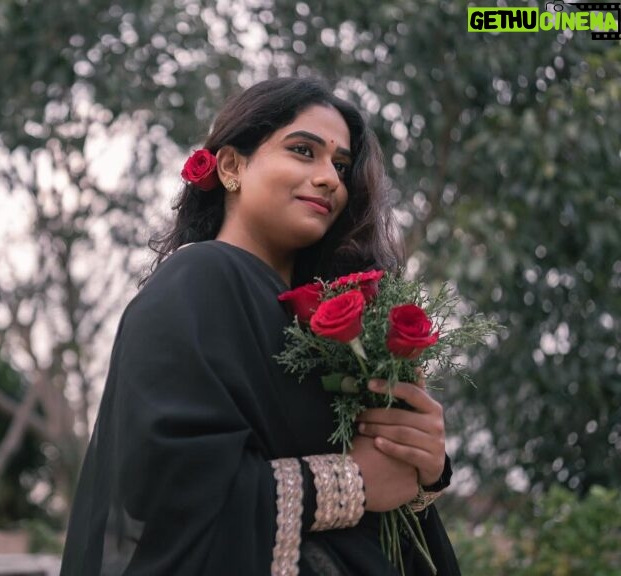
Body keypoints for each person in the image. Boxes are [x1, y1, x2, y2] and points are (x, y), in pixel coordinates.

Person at [60, 77, 460, 575]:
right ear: (231, 165)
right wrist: (350, 481)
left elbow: (382, 494)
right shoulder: (199, 280)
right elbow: (166, 491)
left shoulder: (337, 313)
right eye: (302, 151)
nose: (329, 178)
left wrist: (422, 461)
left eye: (339, 165)